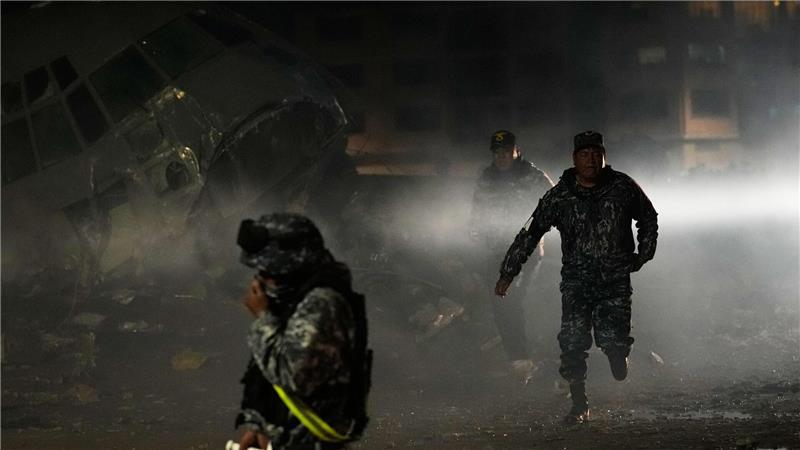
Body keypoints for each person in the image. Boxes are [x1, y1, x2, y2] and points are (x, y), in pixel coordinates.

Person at [494, 130, 658, 424]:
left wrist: (642, 254)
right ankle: (579, 404)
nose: (592, 161)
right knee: (572, 342)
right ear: (575, 159)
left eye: (597, 154)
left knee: (614, 342)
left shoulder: (622, 186)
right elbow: (530, 234)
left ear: (604, 156)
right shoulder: (560, 195)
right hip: (576, 282)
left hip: (614, 280)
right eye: (585, 155)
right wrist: (508, 272)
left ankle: (617, 356)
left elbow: (648, 216)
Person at [234, 213, 371, 449]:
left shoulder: (321, 304)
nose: (261, 280)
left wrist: (263, 319)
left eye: (267, 272)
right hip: (288, 437)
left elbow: (293, 376)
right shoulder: (297, 297)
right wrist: (259, 426)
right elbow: (273, 379)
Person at [469, 130, 554, 378]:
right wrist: (476, 236)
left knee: (512, 297)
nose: (502, 157)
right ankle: (517, 356)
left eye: (507, 152)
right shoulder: (487, 178)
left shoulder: (533, 176)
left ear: (517, 151)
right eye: (498, 153)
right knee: (500, 300)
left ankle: (522, 356)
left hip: (525, 249)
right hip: (495, 249)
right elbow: (477, 211)